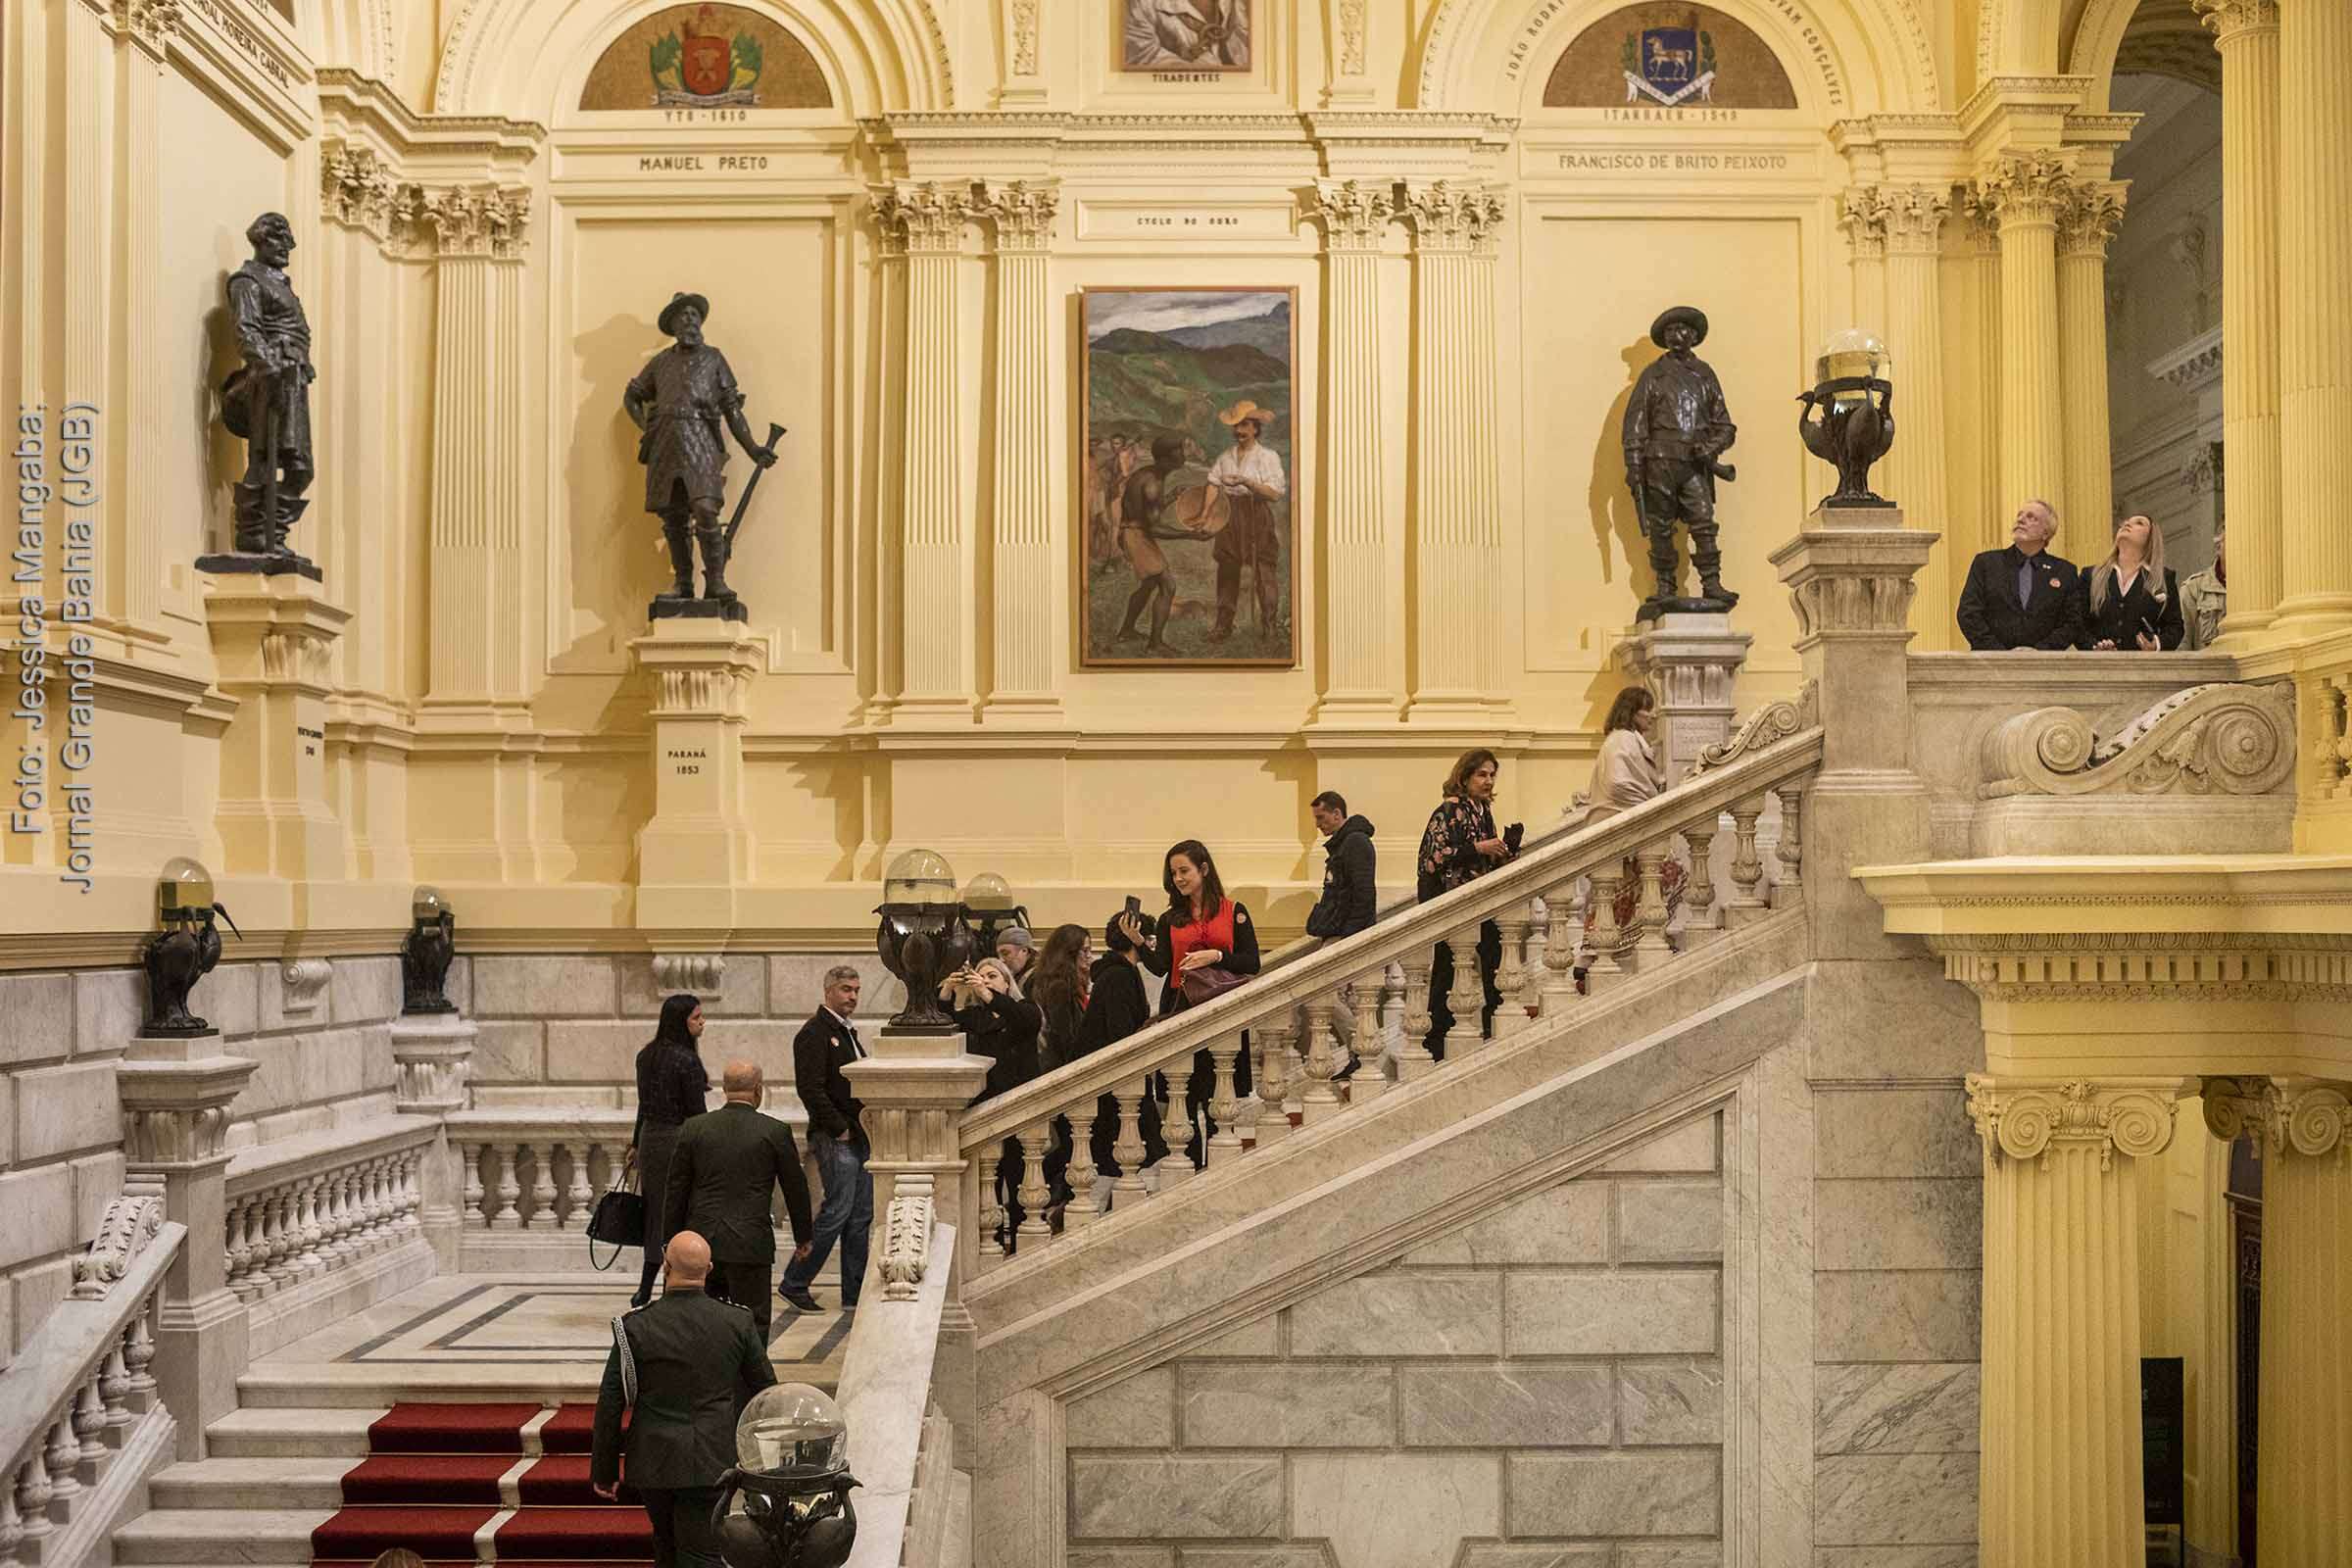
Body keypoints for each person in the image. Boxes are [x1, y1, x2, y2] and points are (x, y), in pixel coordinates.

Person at [591, 1231, 775, 1568]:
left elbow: (611, 1402)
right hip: (712, 1459)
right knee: (702, 1551)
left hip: (653, 1460)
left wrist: (604, 1470)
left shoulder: (635, 1325)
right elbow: (766, 1392)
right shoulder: (737, 1321)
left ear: (665, 1267)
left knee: (666, 1544)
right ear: (710, 1268)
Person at [621, 291, 779, 606]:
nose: (691, 319)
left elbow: (732, 408)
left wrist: (753, 448)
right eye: (684, 315)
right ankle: (682, 583)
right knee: (673, 515)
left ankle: (716, 580)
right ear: (673, 324)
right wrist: (646, 429)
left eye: (695, 314)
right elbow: (632, 397)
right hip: (665, 442)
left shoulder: (714, 358)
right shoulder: (660, 362)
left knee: (706, 509)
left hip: (702, 439)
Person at [661, 1060, 814, 1346]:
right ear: (758, 1090)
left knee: (702, 1319)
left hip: (701, 1240)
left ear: (724, 1090)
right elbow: (795, 1188)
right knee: (752, 1320)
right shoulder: (775, 1131)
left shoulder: (694, 1128)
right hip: (750, 1241)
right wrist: (803, 1236)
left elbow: (676, 1190)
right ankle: (749, 1384)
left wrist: (669, 1242)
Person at [1139, 839, 1261, 1163]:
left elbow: (1252, 962)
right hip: (1181, 1005)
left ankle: (1218, 1164)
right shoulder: (1169, 919)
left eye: (1184, 871)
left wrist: (1217, 955)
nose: (1178, 879)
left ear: (1203, 869)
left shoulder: (1233, 911)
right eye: (1173, 873)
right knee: (1184, 1095)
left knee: (1217, 1094)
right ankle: (1189, 1168)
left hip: (1219, 1009)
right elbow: (1161, 966)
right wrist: (1138, 943)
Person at [1623, 305, 1740, 617]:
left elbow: (1725, 425)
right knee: (1660, 527)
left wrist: (1710, 448)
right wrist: (1634, 466)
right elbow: (1635, 424)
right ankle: (1665, 586)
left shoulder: (1705, 375)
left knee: (1703, 523)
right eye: (1671, 330)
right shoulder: (1652, 376)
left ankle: (1712, 584)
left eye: (1684, 329)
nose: (1678, 334)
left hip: (1694, 465)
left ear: (1695, 336)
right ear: (1664, 337)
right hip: (1658, 462)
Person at [779, 966, 871, 1314]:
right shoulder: (815, 1033)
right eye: (846, 989)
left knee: (860, 1215)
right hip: (836, 1136)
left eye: (857, 990)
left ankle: (855, 1292)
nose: (853, 997)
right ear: (829, 991)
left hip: (858, 1134)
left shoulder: (847, 1033)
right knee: (837, 1211)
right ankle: (795, 1281)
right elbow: (811, 1089)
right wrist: (838, 1128)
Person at [1572, 687, 1688, 964]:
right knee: (1663, 877)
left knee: (1616, 894)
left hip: (1626, 828)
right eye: (1647, 708)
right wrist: (1649, 803)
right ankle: (1606, 950)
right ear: (1632, 711)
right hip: (1623, 829)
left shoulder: (1625, 740)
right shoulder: (1622, 740)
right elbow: (1618, 784)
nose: (1652, 714)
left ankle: (1599, 953)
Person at [1418, 750, 1515, 1059]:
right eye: (1481, 775)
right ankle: (1435, 1043)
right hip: (1454, 903)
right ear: (1465, 776)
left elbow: (1480, 856)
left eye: (1491, 775)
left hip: (1480, 900)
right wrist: (1478, 847)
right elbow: (1433, 857)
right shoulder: (1448, 810)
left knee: (1494, 959)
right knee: (1446, 971)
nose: (1488, 781)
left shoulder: (1483, 810)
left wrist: (1502, 851)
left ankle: (1495, 1025)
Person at [1068, 909, 1167, 1200]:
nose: (1152, 946)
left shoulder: (1117, 973)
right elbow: (1119, 1033)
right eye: (1149, 938)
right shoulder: (1118, 976)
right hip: (1109, 1084)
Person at [625, 995, 710, 1309]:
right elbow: (696, 1114)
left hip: (651, 1139)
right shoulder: (687, 1061)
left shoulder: (645, 1055)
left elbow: (642, 1107)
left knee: (655, 1214)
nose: (702, 1022)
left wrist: (636, 1143)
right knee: (678, 1213)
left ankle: (644, 1289)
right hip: (678, 1140)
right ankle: (670, 1287)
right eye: (696, 1017)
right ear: (681, 1022)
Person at [1305, 791, 1380, 1079]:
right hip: (1339, 933)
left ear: (1337, 814)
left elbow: (1364, 894)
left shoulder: (1355, 843)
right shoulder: (1343, 844)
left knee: (1325, 992)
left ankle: (1361, 1049)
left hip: (1347, 936)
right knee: (1340, 998)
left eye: (1321, 817)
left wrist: (1350, 938)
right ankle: (1357, 1052)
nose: (1318, 824)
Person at [1204, 403, 1288, 643]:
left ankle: (1269, 626)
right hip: (1230, 515)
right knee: (1227, 568)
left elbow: (1274, 493)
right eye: (1236, 426)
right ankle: (1223, 626)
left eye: (1244, 425)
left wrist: (1248, 482)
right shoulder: (1225, 457)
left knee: (1264, 570)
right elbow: (1213, 483)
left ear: (1255, 429)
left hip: (1256, 513)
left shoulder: (1268, 457)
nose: (1239, 431)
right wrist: (1205, 512)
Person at [1955, 499, 2084, 651]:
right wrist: (2000, 654)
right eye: (2020, 515)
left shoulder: (2064, 571)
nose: (2021, 520)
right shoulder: (1986, 563)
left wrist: (2040, 652)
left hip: (2044, 666)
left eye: (2031, 517)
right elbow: (1968, 614)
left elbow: (2072, 622)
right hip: (1992, 663)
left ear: (2046, 533)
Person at [1113, 435, 1186, 656]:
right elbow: (1154, 527)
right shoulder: (1153, 482)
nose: (1182, 457)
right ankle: (1155, 645)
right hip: (1136, 536)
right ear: (1164, 460)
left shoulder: (1149, 474)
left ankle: (1126, 631)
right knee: (1167, 586)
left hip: (1132, 532)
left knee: (1148, 584)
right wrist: (1191, 534)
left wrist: (1171, 497)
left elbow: (1145, 510)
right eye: (1178, 455)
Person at [2078, 514, 2184, 652]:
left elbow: (2175, 627)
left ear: (2151, 538)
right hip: (2097, 668)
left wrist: (2156, 645)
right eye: (2125, 522)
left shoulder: (2163, 578)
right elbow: (2077, 623)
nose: (2126, 524)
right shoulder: (2091, 575)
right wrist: (2094, 646)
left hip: (2142, 669)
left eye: (2139, 523)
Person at [2181, 528, 2226, 650]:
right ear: (2218, 548)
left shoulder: (2257, 587)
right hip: (2210, 666)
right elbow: (2182, 645)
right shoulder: (2193, 588)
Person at [994, 925, 1037, 989]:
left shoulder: (1037, 978)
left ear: (1024, 951)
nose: (1001, 960)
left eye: (1005, 953)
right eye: (999, 955)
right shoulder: (1019, 974)